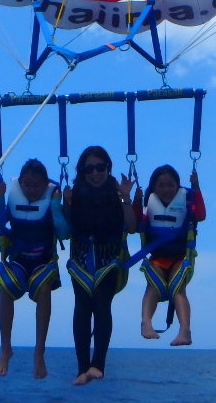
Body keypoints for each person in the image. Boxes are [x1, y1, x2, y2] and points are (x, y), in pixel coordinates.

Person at [63, 145, 138, 386]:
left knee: (102, 303)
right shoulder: (74, 194)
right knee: (82, 308)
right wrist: (64, 202)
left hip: (109, 258)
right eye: (89, 169)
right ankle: (82, 368)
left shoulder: (117, 193)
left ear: (108, 168)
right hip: (80, 258)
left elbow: (132, 227)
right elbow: (65, 228)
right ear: (82, 171)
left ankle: (98, 365)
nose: (95, 173)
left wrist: (126, 197)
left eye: (100, 167)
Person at [0, 158, 68, 378]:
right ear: (20, 183)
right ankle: (5, 350)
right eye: (27, 185)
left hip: (43, 261)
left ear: (45, 184)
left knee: (43, 288)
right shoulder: (12, 197)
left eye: (37, 185)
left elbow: (64, 233)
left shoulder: (52, 198)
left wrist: (56, 206)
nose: (32, 190)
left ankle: (39, 352)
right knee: (5, 288)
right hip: (19, 260)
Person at [137, 164, 205, 346]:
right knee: (151, 288)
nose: (166, 189)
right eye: (161, 185)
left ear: (177, 185)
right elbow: (136, 224)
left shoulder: (187, 203)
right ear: (154, 187)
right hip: (157, 259)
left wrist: (196, 187)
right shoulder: (149, 206)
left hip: (181, 259)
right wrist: (133, 200)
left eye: (170, 185)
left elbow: (200, 215)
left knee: (178, 289)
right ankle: (146, 323)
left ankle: (185, 331)